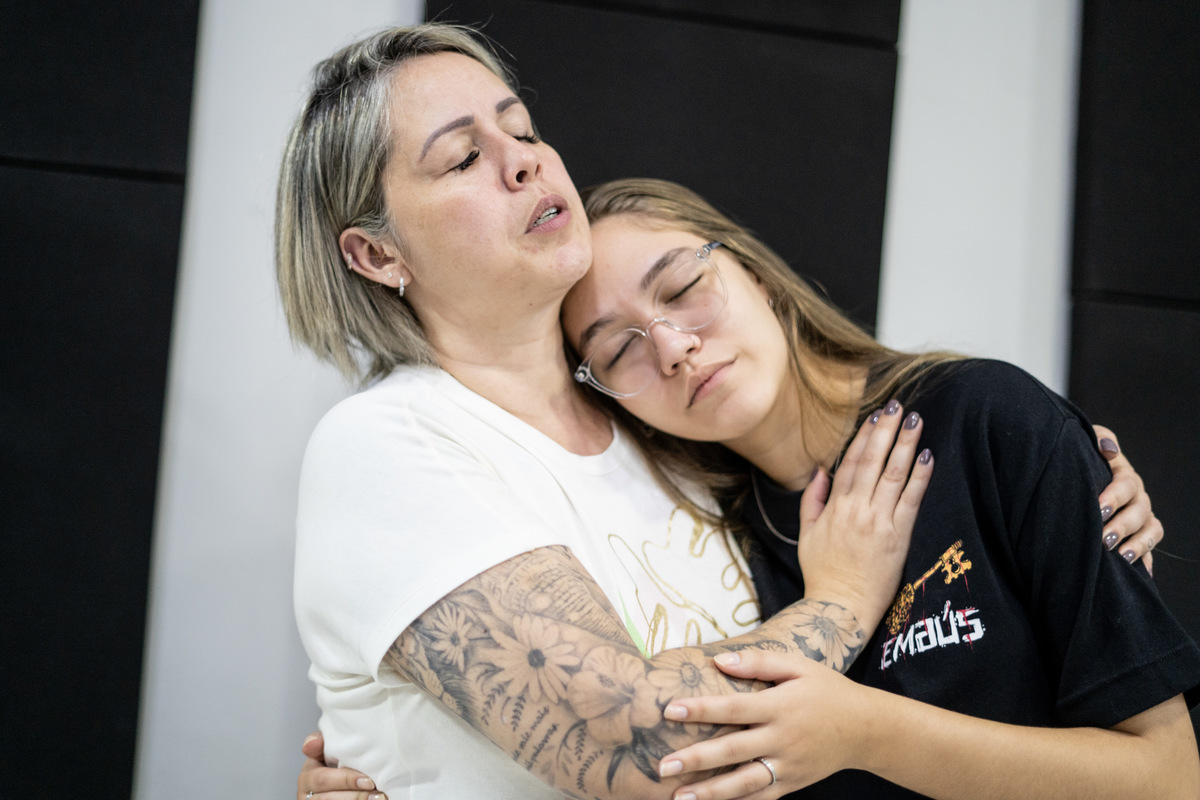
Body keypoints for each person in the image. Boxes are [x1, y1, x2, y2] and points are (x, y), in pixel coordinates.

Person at [280, 23, 1166, 800]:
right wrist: (842, 600)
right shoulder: (389, 444)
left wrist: (1068, 472)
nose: (524, 160)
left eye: (522, 129)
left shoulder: (671, 442)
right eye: (463, 158)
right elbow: (644, 746)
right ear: (376, 254)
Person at [553, 177, 1200, 798]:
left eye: (683, 286)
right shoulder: (702, 556)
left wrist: (862, 732)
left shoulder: (990, 420)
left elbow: (1167, 780)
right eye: (618, 353)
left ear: (755, 274)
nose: (671, 347)